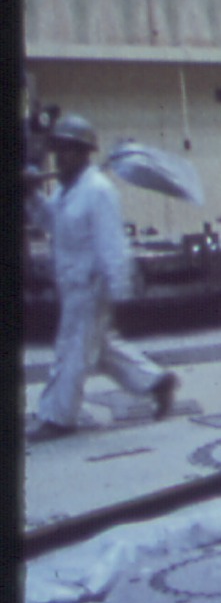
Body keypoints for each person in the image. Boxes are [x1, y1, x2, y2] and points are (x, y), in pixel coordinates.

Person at [28, 114, 178, 441]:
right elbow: (50, 222)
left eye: (68, 150)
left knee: (72, 351)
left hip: (91, 286)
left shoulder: (98, 190)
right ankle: (156, 381)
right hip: (72, 285)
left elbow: (112, 245)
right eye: (58, 150)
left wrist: (121, 290)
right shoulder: (67, 191)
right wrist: (32, 196)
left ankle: (58, 417)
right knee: (102, 349)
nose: (60, 157)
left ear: (85, 153)